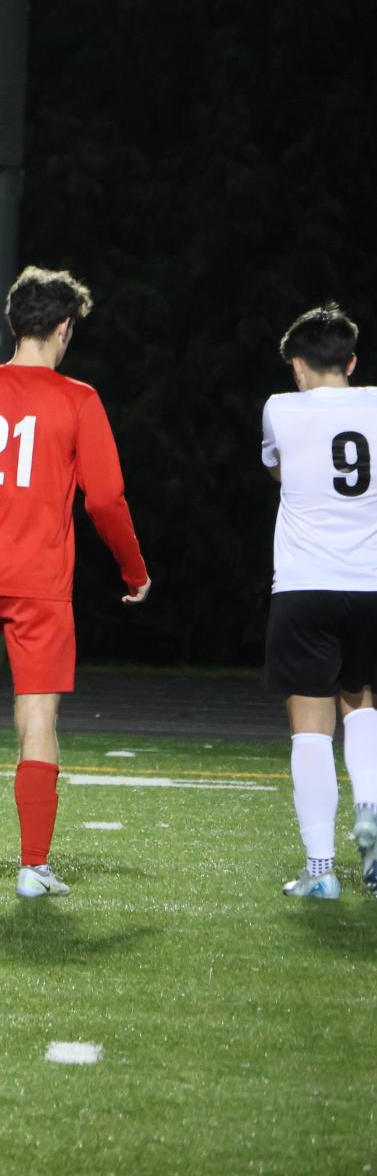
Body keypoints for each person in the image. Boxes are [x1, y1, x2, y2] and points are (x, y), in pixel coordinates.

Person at [0, 266, 150, 897]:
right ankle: (32, 867)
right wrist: (133, 568)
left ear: (14, 322)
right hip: (39, 581)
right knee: (37, 716)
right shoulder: (79, 399)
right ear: (65, 327)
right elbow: (107, 500)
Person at [259, 302, 377, 898]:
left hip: (305, 585)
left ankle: (321, 872)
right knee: (363, 709)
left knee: (310, 729)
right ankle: (374, 815)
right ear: (352, 361)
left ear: (299, 365)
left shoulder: (281, 408)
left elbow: (280, 472)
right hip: (370, 582)